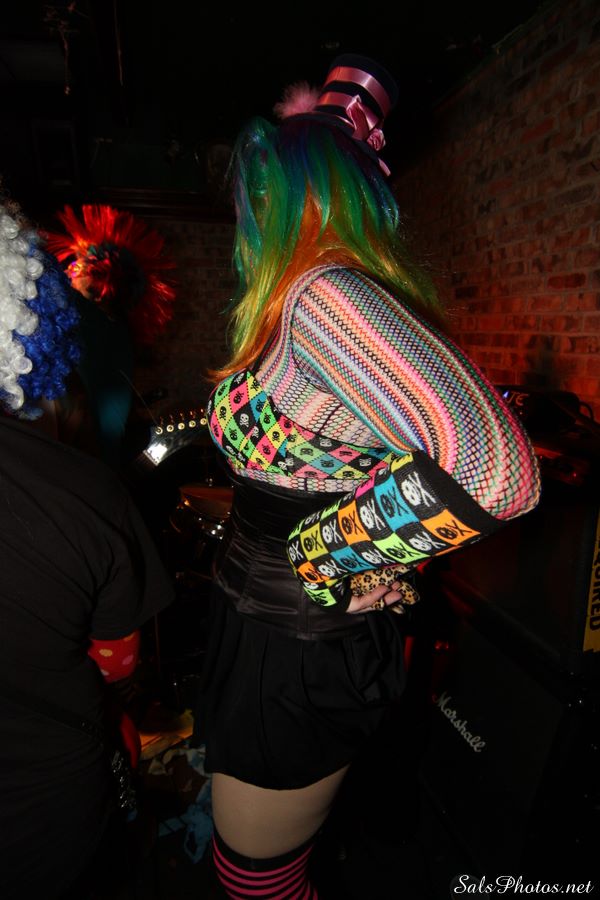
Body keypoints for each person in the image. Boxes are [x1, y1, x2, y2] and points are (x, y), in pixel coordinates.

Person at [191, 55, 541, 898]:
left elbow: (497, 473)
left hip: (299, 641)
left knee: (257, 884)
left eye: (260, 190)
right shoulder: (301, 302)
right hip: (270, 622)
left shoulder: (324, 296)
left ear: (299, 198)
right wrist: (357, 551)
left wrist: (329, 553)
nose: (247, 209)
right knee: (257, 873)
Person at [0, 197, 175, 899]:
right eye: (83, 273)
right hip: (50, 821)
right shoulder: (81, 494)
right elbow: (115, 663)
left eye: (103, 277)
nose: (91, 284)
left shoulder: (101, 340)